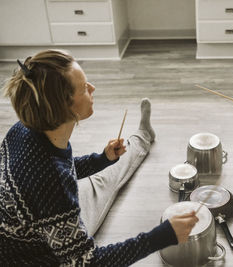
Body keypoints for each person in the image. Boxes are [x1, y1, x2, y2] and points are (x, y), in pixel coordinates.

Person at [0, 50, 199, 266]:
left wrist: (101, 159)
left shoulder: (23, 130)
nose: (93, 88)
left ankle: (142, 137)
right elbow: (88, 262)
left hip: (40, 220)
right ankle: (142, 138)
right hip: (46, 256)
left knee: (105, 174)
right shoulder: (51, 182)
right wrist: (163, 235)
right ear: (64, 107)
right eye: (84, 88)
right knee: (104, 184)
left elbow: (61, 170)